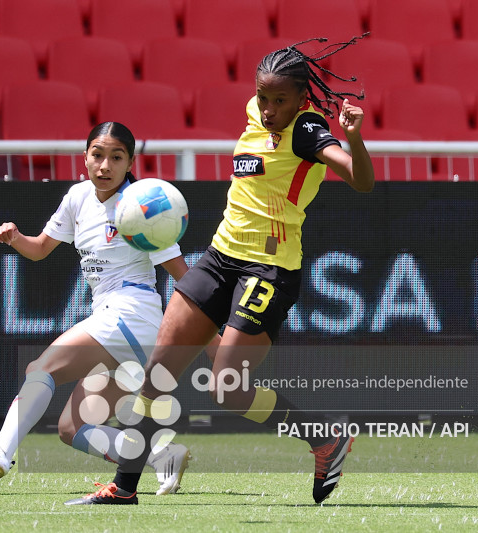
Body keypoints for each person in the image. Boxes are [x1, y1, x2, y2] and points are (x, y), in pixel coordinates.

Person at [70, 37, 375, 506]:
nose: (269, 108)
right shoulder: (255, 112)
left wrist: (352, 136)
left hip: (269, 270)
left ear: (302, 99)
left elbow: (361, 180)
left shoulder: (309, 130)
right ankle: (124, 488)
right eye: (264, 97)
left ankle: (324, 439)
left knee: (228, 387)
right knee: (156, 376)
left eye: (280, 100)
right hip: (218, 259)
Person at [0, 121, 193, 496]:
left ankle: (0, 451)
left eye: (116, 157)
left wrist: (210, 332)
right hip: (116, 322)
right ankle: (162, 455)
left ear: (130, 163)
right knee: (72, 429)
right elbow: (41, 248)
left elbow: (184, 277)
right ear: (85, 157)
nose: (105, 165)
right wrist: (16, 239)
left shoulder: (141, 205)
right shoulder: (77, 197)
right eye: (97, 155)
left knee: (41, 368)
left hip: (132, 313)